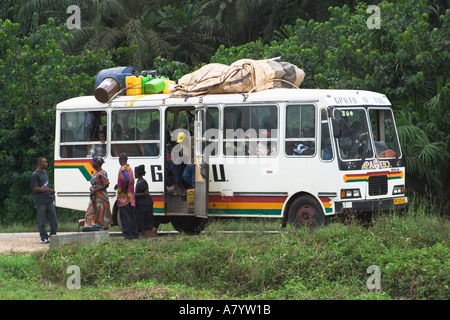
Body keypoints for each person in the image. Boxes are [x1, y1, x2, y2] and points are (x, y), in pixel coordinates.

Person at [30, 157, 58, 244]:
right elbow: (35, 188)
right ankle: (44, 237)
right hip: (41, 200)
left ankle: (53, 235)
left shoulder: (45, 172)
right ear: (40, 164)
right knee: (42, 220)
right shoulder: (35, 174)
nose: (46, 164)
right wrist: (48, 190)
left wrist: (50, 192)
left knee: (53, 218)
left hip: (49, 199)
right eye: (44, 162)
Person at [82, 156, 111, 232]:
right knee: (91, 212)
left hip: (101, 197)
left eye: (94, 162)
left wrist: (96, 190)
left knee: (101, 213)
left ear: (98, 163)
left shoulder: (102, 173)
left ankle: (102, 230)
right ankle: (91, 228)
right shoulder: (95, 173)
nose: (92, 163)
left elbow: (106, 185)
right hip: (95, 196)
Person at [114, 153, 139, 239]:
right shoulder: (130, 168)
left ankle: (128, 235)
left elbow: (127, 179)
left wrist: (123, 189)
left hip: (124, 198)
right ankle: (134, 234)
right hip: (130, 197)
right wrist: (118, 185)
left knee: (125, 217)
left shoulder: (123, 169)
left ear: (120, 159)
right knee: (132, 216)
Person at [134, 165, 158, 238]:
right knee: (143, 219)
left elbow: (146, 193)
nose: (134, 174)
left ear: (138, 174)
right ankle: (147, 233)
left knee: (142, 219)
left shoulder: (142, 182)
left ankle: (150, 232)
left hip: (145, 204)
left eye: (135, 173)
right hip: (142, 204)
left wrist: (135, 194)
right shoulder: (139, 181)